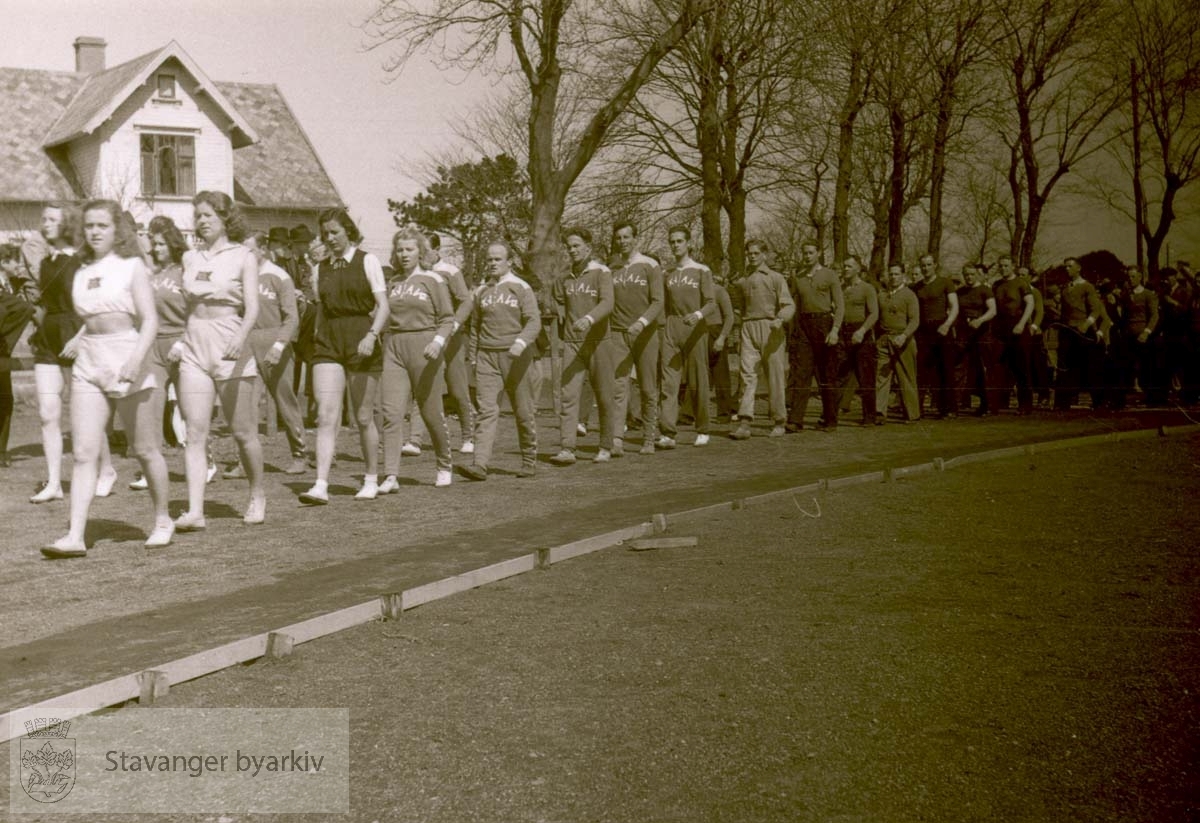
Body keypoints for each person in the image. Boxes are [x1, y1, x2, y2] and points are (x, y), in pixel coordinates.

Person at [41, 199, 171, 557]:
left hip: (127, 356)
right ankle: (75, 536)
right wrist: (80, 337)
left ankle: (163, 519)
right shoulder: (81, 271)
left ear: (117, 230)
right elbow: (91, 316)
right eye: (89, 226)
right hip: (90, 362)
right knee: (84, 452)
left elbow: (150, 321)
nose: (94, 232)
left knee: (144, 449)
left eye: (102, 225)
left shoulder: (132, 267)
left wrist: (135, 360)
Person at [174, 191, 265, 530]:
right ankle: (195, 511)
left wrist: (238, 339)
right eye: (198, 215)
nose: (202, 221)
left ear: (226, 218)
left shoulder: (243, 256)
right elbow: (186, 306)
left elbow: (253, 307)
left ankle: (257, 493)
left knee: (242, 432)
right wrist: (183, 340)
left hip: (230, 341)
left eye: (209, 214)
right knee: (195, 433)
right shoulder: (190, 257)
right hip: (195, 345)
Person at [28, 202, 118, 502]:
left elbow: (94, 305)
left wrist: (80, 337)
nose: (45, 223)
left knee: (85, 413)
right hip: (48, 340)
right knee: (47, 414)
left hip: (75, 335)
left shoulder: (81, 261)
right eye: (44, 218)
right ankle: (54, 483)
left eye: (52, 219)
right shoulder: (44, 262)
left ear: (66, 223)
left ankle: (106, 470)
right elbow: (43, 304)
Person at [299, 209, 389, 504]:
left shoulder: (368, 260)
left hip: (361, 337)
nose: (330, 238)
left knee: (363, 417)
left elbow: (383, 306)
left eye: (335, 232)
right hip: (328, 342)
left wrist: (371, 335)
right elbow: (321, 307)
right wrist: (317, 335)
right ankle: (320, 484)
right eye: (325, 234)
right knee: (326, 415)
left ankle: (371, 478)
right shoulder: (321, 267)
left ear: (348, 231)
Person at [128, 215, 217, 492]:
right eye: (153, 244)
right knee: (149, 408)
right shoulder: (152, 273)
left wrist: (182, 342)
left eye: (161, 244)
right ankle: (151, 467)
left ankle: (207, 461)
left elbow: (196, 311)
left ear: (173, 244)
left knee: (192, 411)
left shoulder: (184, 269)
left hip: (182, 344)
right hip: (154, 346)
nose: (156, 249)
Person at [377, 227, 456, 491]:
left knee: (430, 411)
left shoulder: (433, 280)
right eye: (400, 250)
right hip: (394, 347)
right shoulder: (394, 282)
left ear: (420, 252)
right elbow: (384, 315)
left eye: (409, 249)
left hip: (426, 347)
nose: (404, 254)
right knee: (391, 412)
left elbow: (447, 318)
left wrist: (438, 342)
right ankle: (390, 475)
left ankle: (444, 464)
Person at [460, 241, 541, 480]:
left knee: (523, 411)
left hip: (516, 356)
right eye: (489, 259)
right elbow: (475, 325)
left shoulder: (520, 287)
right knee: (486, 411)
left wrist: (520, 342)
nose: (492, 263)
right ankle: (480, 464)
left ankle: (528, 460)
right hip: (486, 357)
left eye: (497, 259)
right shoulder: (482, 291)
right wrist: (474, 357)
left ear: (509, 262)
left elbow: (534, 321)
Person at [550, 228, 615, 465]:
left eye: (576, 245)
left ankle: (606, 445)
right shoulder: (565, 277)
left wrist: (588, 318)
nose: (572, 250)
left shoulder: (601, 272)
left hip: (598, 341)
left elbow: (608, 303)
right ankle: (567, 448)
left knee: (605, 395)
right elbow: (557, 300)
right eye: (569, 246)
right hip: (573, 344)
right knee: (568, 395)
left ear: (588, 247)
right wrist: (562, 317)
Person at [658, 226, 716, 448]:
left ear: (688, 243)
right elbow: (663, 305)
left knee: (698, 381)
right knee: (669, 382)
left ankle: (702, 428)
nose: (675, 245)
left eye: (679, 241)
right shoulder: (668, 274)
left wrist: (698, 314)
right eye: (672, 241)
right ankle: (667, 432)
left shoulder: (702, 270)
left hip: (695, 329)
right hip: (673, 327)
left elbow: (711, 303)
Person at [608, 221, 663, 456]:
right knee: (619, 386)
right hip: (619, 334)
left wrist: (641, 322)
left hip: (645, 334)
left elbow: (658, 301)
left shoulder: (650, 266)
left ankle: (649, 437)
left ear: (635, 238)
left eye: (626, 237)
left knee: (648, 387)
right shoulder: (613, 268)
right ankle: (616, 438)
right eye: (618, 238)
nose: (622, 242)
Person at [730, 239, 793, 439]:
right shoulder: (744, 280)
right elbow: (738, 304)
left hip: (770, 328)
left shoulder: (775, 278)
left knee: (775, 376)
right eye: (749, 253)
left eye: (756, 253)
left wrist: (781, 319)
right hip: (748, 328)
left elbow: (789, 304)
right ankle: (745, 422)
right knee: (747, 375)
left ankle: (779, 421)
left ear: (764, 254)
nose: (752, 256)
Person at [786, 240, 844, 432]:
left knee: (827, 374)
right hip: (804, 325)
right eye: (804, 253)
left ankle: (830, 419)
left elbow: (840, 305)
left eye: (810, 252)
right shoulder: (798, 277)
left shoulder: (830, 275)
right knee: (802, 373)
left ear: (818, 253)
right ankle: (795, 420)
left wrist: (834, 330)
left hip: (824, 324)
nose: (807, 256)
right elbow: (791, 302)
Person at [1054, 256, 1110, 410]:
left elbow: (1096, 309)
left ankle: (1099, 402)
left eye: (1070, 266)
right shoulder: (1065, 288)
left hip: (1084, 332)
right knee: (1064, 366)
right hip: (1067, 331)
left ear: (1078, 268)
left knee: (1092, 367)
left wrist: (1086, 324)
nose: (1067, 269)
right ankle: (1062, 403)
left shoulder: (1087, 287)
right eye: (1065, 266)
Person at [911, 254, 960, 419]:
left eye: (929, 264)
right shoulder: (916, 287)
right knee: (923, 370)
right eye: (923, 265)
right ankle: (919, 409)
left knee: (946, 368)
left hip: (942, 328)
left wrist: (947, 324)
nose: (926, 268)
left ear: (935, 265)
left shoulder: (945, 282)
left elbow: (954, 306)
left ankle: (949, 408)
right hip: (923, 331)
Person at [0, 244, 35, 467]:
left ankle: (1, 453)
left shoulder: (11, 286)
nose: (18, 266)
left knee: (5, 400)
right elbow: (23, 309)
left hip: (3, 353)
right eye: (14, 261)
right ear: (3, 262)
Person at [835, 256, 879, 425]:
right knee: (839, 375)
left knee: (865, 377)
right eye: (844, 266)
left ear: (858, 269)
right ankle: (832, 415)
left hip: (862, 333)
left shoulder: (867, 289)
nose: (845, 269)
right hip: (843, 333)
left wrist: (862, 330)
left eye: (849, 266)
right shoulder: (840, 288)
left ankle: (869, 417)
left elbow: (874, 313)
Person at [875, 264, 921, 423]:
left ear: (903, 275)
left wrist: (904, 335)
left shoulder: (909, 295)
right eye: (891, 274)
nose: (893, 277)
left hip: (903, 339)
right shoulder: (882, 295)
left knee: (906, 377)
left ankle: (912, 414)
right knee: (881, 376)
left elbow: (915, 320)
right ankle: (879, 412)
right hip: (884, 339)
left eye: (896, 274)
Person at [1110, 265, 1160, 409]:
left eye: (1133, 276)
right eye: (1128, 276)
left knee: (1147, 367)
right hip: (1128, 335)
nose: (1130, 279)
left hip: (1143, 335)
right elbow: (1123, 316)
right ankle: (1120, 400)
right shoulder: (1126, 295)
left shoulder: (1148, 294)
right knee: (1125, 366)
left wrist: (1146, 332)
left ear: (1140, 277)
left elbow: (1154, 315)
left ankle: (1152, 398)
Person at [992, 256, 1036, 415]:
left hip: (1018, 326)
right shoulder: (996, 285)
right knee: (998, 366)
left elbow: (1030, 304)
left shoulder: (1021, 283)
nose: (1003, 268)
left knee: (1021, 367)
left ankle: (1025, 405)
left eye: (1006, 265)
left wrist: (1021, 323)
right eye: (1001, 266)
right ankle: (997, 403)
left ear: (1012, 266)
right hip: (1000, 329)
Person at [957, 263, 999, 415]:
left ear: (977, 275)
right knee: (966, 369)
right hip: (965, 335)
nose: (969, 277)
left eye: (972, 274)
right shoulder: (960, 291)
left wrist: (980, 320)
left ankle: (990, 405)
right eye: (966, 274)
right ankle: (963, 402)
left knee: (985, 369)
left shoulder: (984, 290)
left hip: (982, 334)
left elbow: (993, 310)